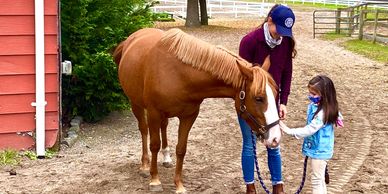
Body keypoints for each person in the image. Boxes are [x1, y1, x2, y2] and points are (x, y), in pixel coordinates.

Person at [238, 4, 296, 194]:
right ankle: (250, 187)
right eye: (278, 30)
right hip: (252, 103)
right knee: (249, 143)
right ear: (269, 20)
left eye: (285, 32)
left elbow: (287, 72)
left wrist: (283, 102)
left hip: (272, 102)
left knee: (274, 142)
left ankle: (278, 186)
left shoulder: (285, 43)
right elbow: (242, 78)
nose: (280, 35)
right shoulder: (249, 41)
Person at [280, 75, 343, 194]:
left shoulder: (323, 113)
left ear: (325, 94)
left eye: (314, 94)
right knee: (320, 180)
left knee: (316, 180)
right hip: (318, 149)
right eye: (310, 93)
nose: (311, 97)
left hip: (319, 151)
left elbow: (310, 129)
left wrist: (289, 130)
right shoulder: (319, 107)